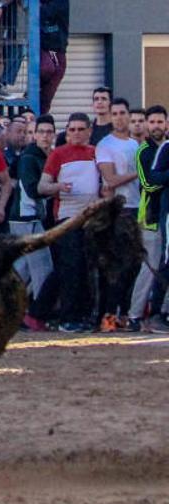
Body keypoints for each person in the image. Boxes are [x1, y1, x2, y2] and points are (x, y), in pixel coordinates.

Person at [37, 112, 102, 332]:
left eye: (80, 129)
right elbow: (42, 186)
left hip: (92, 220)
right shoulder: (58, 154)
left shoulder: (96, 153)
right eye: (71, 129)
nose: (75, 133)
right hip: (67, 218)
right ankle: (67, 318)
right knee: (71, 268)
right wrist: (58, 187)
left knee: (86, 269)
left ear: (89, 131)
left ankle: (83, 315)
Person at [94, 97, 142, 331]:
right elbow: (110, 180)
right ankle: (109, 317)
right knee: (117, 266)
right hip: (119, 210)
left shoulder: (136, 145)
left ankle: (124, 314)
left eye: (123, 113)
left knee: (134, 266)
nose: (120, 117)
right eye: (116, 114)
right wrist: (138, 173)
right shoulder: (105, 145)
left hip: (138, 209)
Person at [12, 114, 55, 331]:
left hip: (31, 217)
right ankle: (38, 316)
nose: (46, 136)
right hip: (25, 218)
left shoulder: (45, 156)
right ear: (35, 135)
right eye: (42, 132)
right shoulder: (30, 158)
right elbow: (31, 189)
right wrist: (58, 188)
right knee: (42, 268)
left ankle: (8, 311)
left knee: (22, 270)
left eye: (49, 132)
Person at [133, 105, 169, 333]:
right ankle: (136, 314)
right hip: (150, 217)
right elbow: (147, 183)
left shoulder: (164, 148)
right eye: (152, 122)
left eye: (159, 122)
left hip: (162, 215)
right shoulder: (144, 151)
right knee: (151, 269)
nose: (156, 126)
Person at [39, 0, 69, 114]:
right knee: (46, 69)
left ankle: (41, 116)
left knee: (47, 97)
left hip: (58, 51)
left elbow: (46, 12)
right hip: (44, 50)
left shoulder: (60, 2)